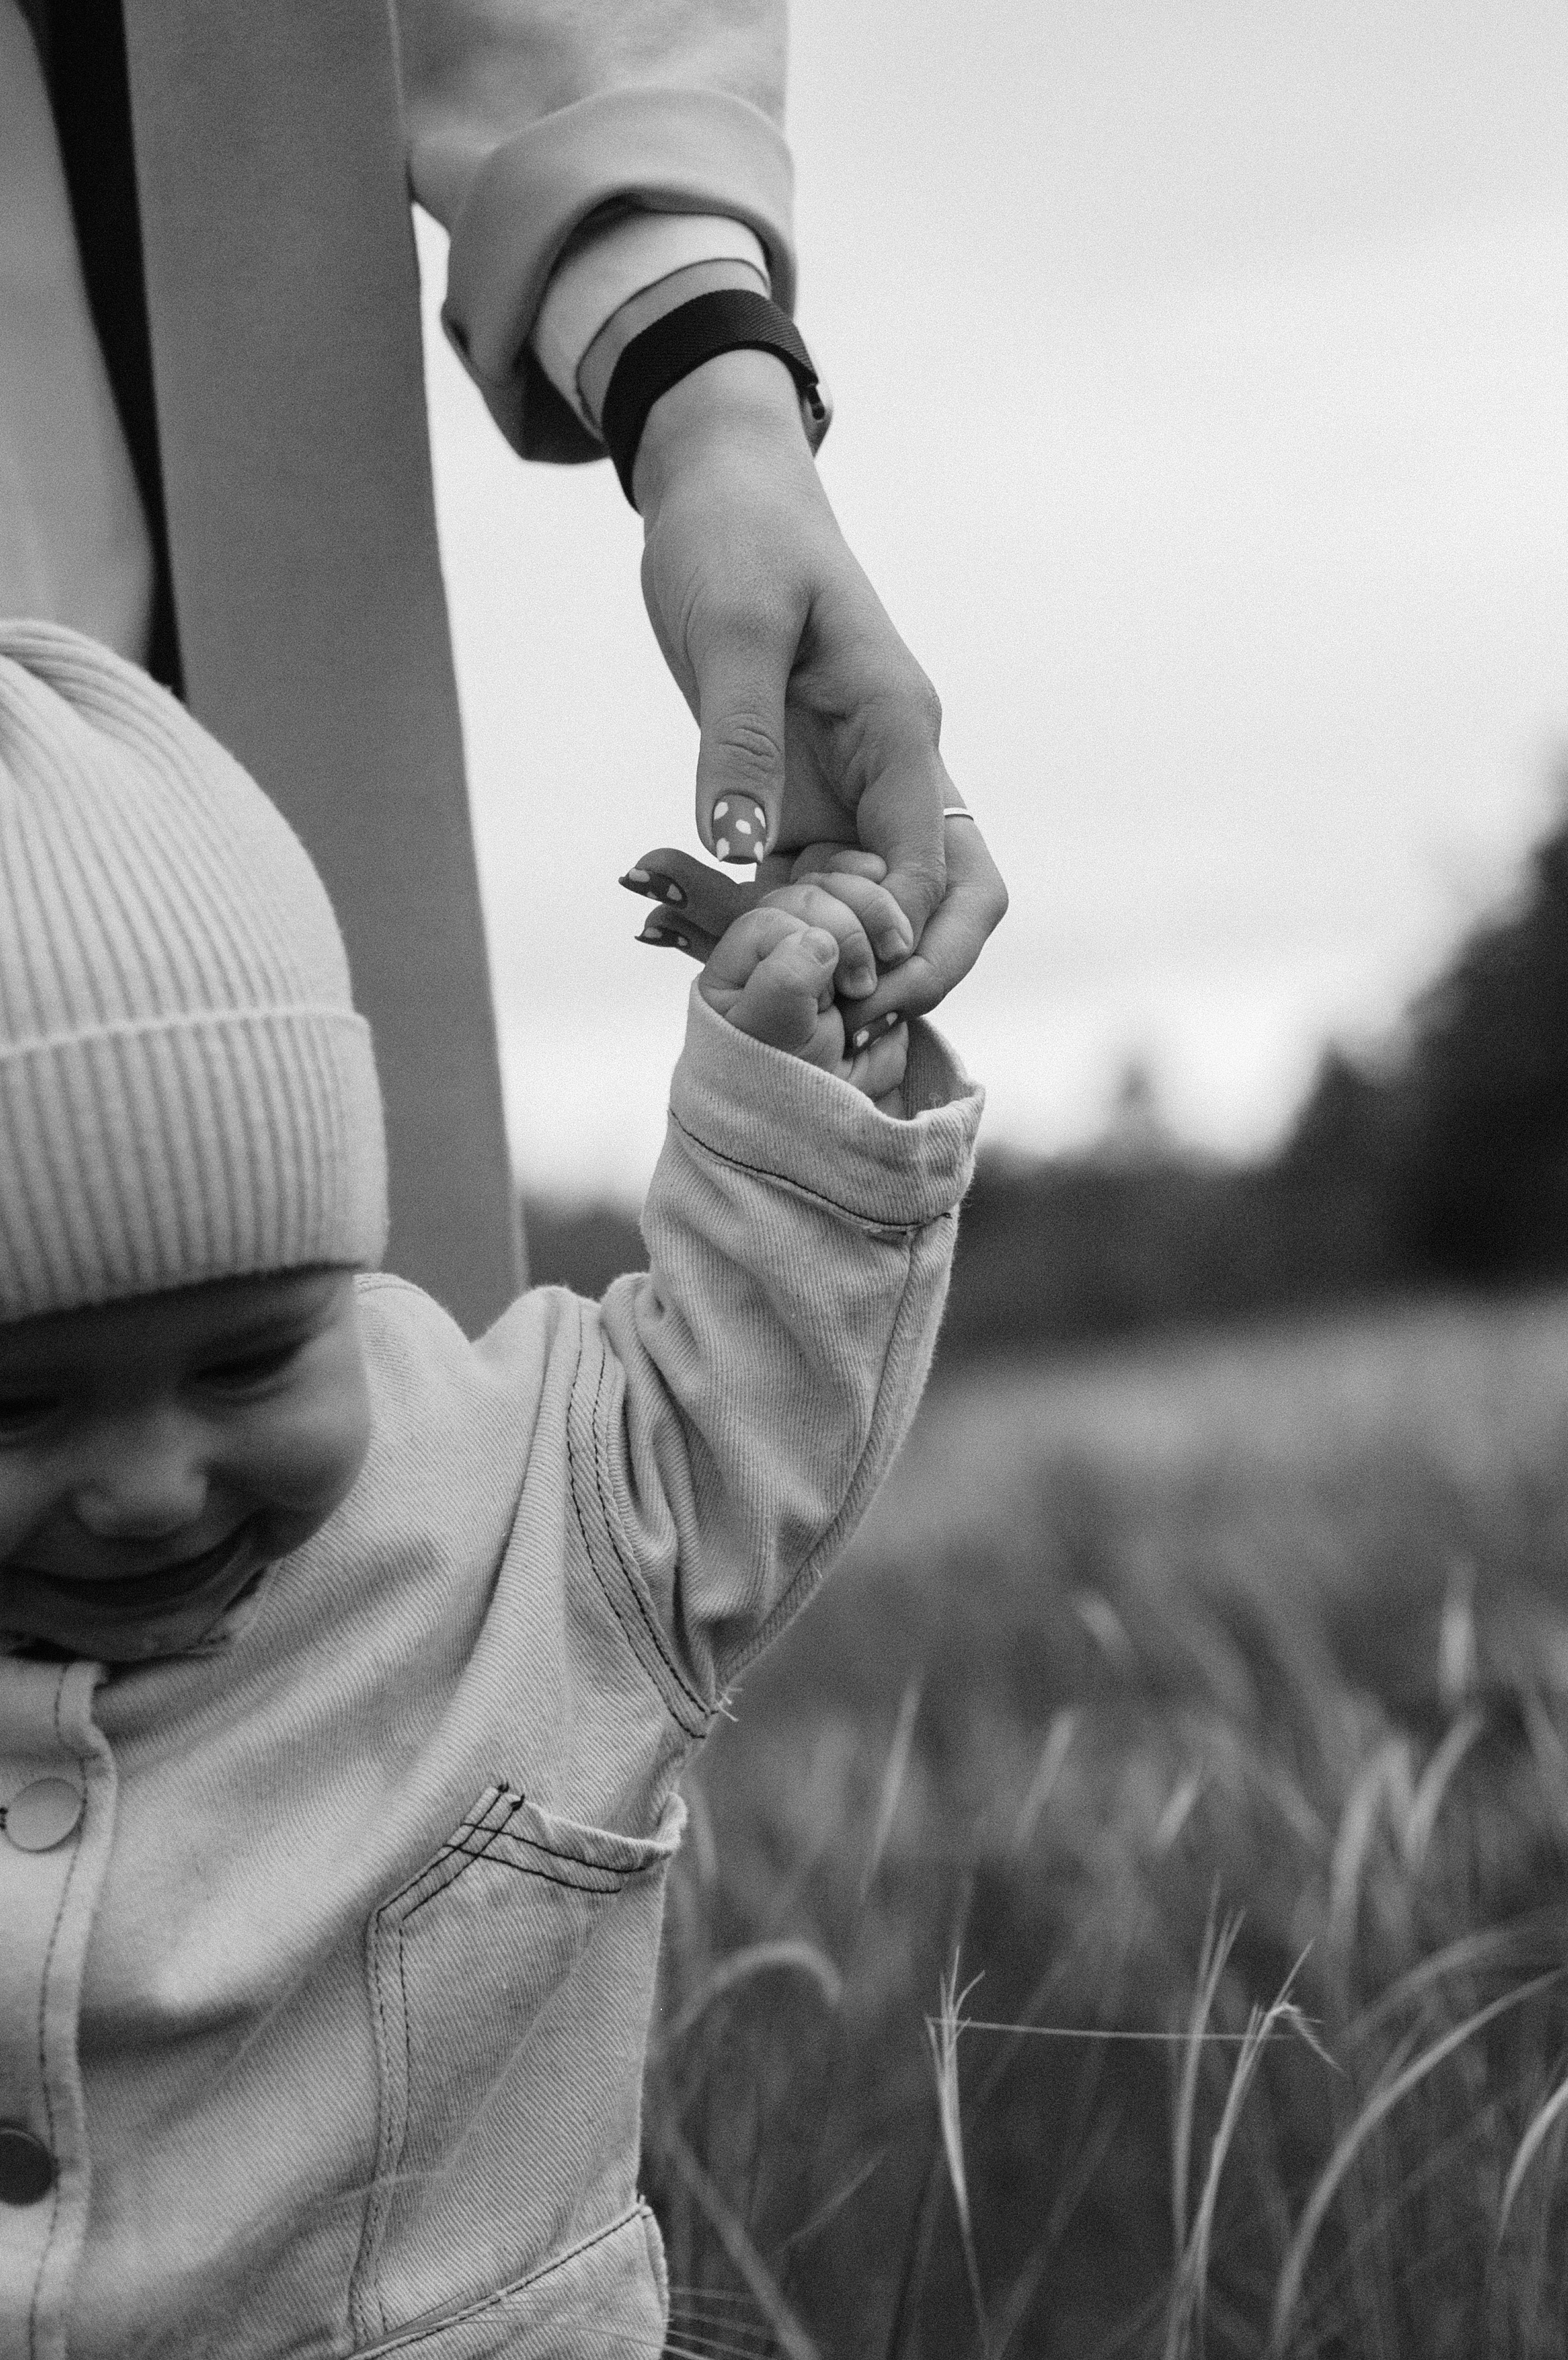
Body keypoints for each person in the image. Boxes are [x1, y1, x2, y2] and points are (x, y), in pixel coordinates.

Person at [0, 625, 982, 2350]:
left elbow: (750, 1395)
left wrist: (807, 1086)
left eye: (246, 1360)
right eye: (16, 1407)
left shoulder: (536, 1509)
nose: (151, 1485)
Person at [1, 0, 1007, 1334]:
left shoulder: (431, 1472)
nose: (153, 1495)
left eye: (245, 1367)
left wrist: (709, 408)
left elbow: (683, 1472)